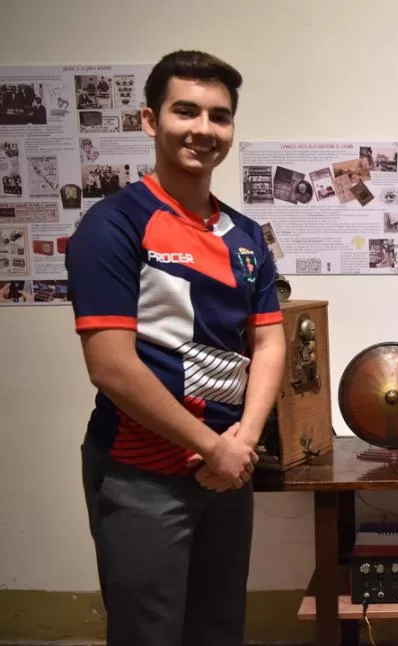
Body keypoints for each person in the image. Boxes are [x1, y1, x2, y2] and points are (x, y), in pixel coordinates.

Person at [65, 50, 286, 646]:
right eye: (185, 111)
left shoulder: (245, 236)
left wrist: (243, 441)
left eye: (219, 116)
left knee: (219, 631)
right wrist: (212, 447)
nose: (204, 130)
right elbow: (111, 367)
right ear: (148, 121)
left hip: (227, 470)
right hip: (142, 474)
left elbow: (268, 339)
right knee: (149, 635)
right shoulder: (113, 225)